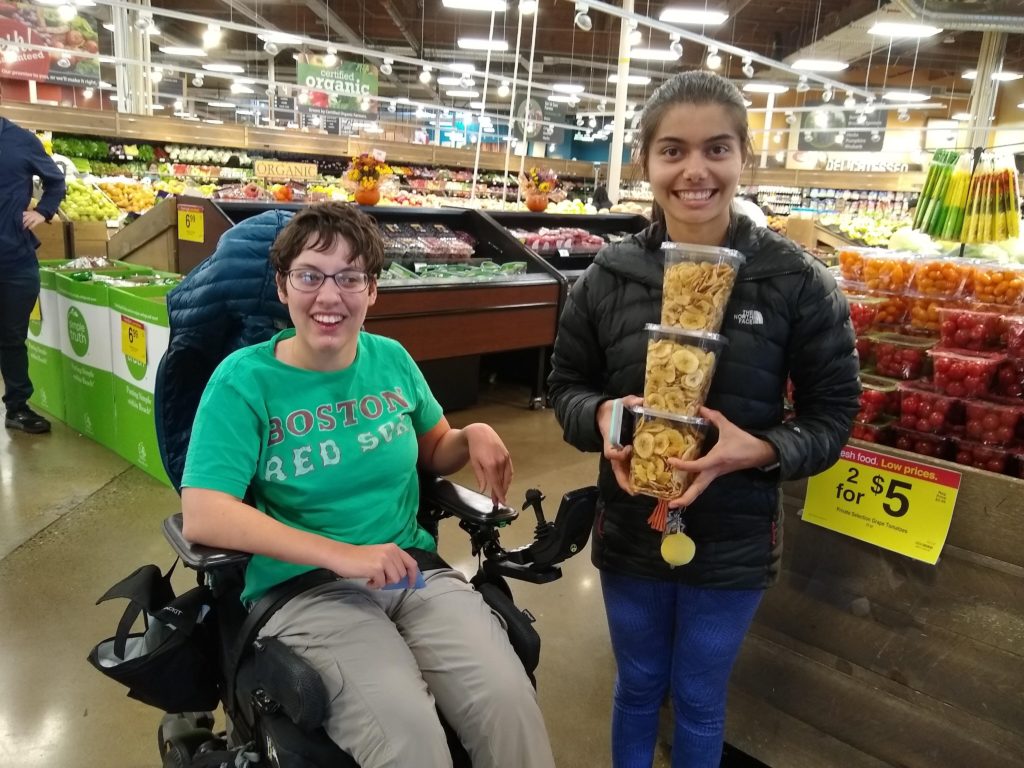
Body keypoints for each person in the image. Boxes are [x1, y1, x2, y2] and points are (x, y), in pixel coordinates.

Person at [547, 71, 859, 768]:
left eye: (717, 149)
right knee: (636, 688)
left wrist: (761, 449)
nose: (695, 171)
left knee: (697, 696)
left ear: (744, 156)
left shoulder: (796, 281)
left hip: (736, 535)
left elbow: (834, 415)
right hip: (630, 527)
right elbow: (565, 386)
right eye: (673, 151)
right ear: (646, 164)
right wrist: (598, 415)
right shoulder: (607, 277)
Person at [179, 202, 554, 768]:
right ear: (283, 287)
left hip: (412, 575)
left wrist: (470, 433)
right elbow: (206, 513)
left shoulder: (392, 360)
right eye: (310, 275)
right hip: (306, 590)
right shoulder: (244, 381)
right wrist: (346, 556)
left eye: (350, 278)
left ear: (372, 291)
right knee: (409, 739)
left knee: (509, 705)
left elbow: (433, 449)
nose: (329, 297)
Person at [0, 117, 66, 434]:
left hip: (15, 258)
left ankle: (17, 408)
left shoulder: (22, 140)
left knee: (12, 337)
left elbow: (56, 181)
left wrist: (43, 210)